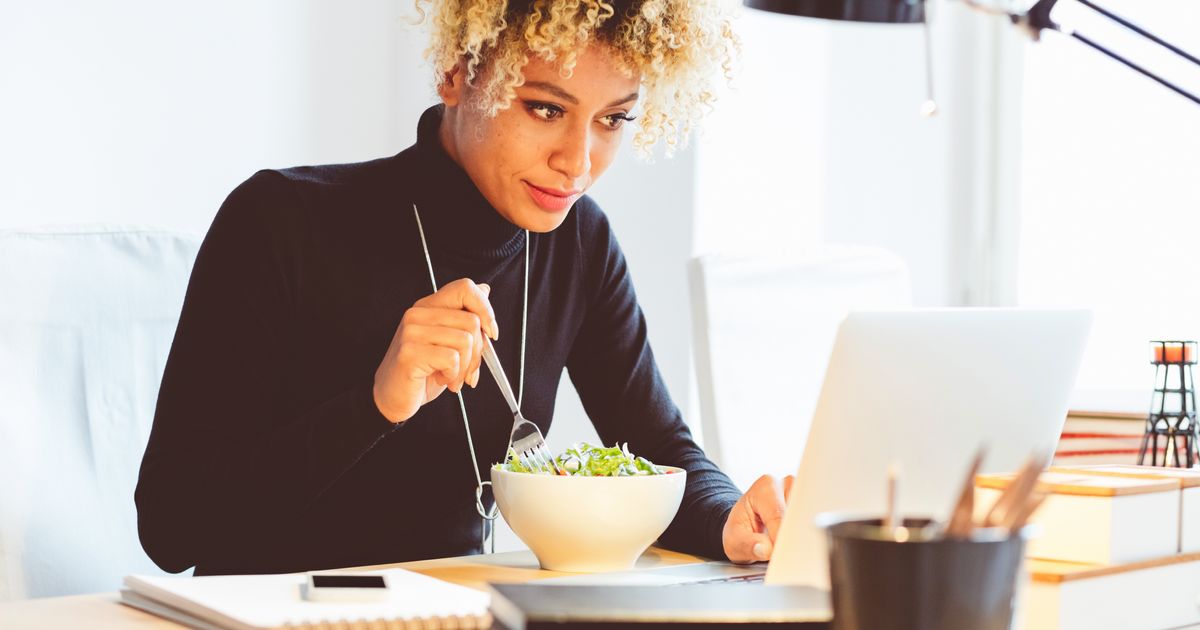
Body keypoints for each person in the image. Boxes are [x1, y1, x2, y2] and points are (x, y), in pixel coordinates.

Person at [135, 0, 792, 576]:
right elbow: (172, 528)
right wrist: (374, 404)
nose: (580, 161)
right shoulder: (280, 222)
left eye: (613, 119)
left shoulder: (578, 244)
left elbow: (660, 447)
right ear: (457, 70)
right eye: (545, 108)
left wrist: (728, 518)